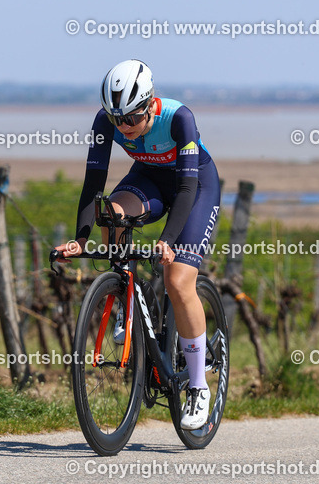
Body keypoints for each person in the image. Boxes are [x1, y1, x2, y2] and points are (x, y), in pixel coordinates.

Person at [54, 59, 221, 430]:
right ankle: (123, 301)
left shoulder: (180, 119)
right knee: (110, 212)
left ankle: (197, 386)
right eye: (117, 120)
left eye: (131, 118)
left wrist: (167, 241)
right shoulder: (106, 122)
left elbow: (186, 188)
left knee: (178, 279)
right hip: (147, 178)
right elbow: (93, 182)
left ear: (150, 104)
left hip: (194, 187)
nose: (124, 128)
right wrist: (80, 239)